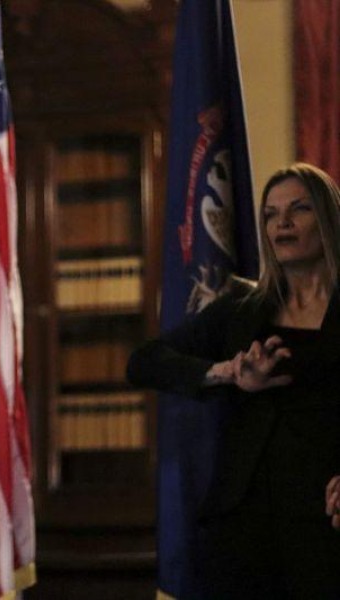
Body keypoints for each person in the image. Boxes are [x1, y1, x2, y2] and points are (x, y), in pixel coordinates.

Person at [127, 163, 340, 599]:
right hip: (244, 525)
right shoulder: (242, 309)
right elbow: (144, 361)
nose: (281, 222)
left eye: (298, 209)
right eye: (270, 213)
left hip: (326, 522)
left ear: (328, 219)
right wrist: (227, 373)